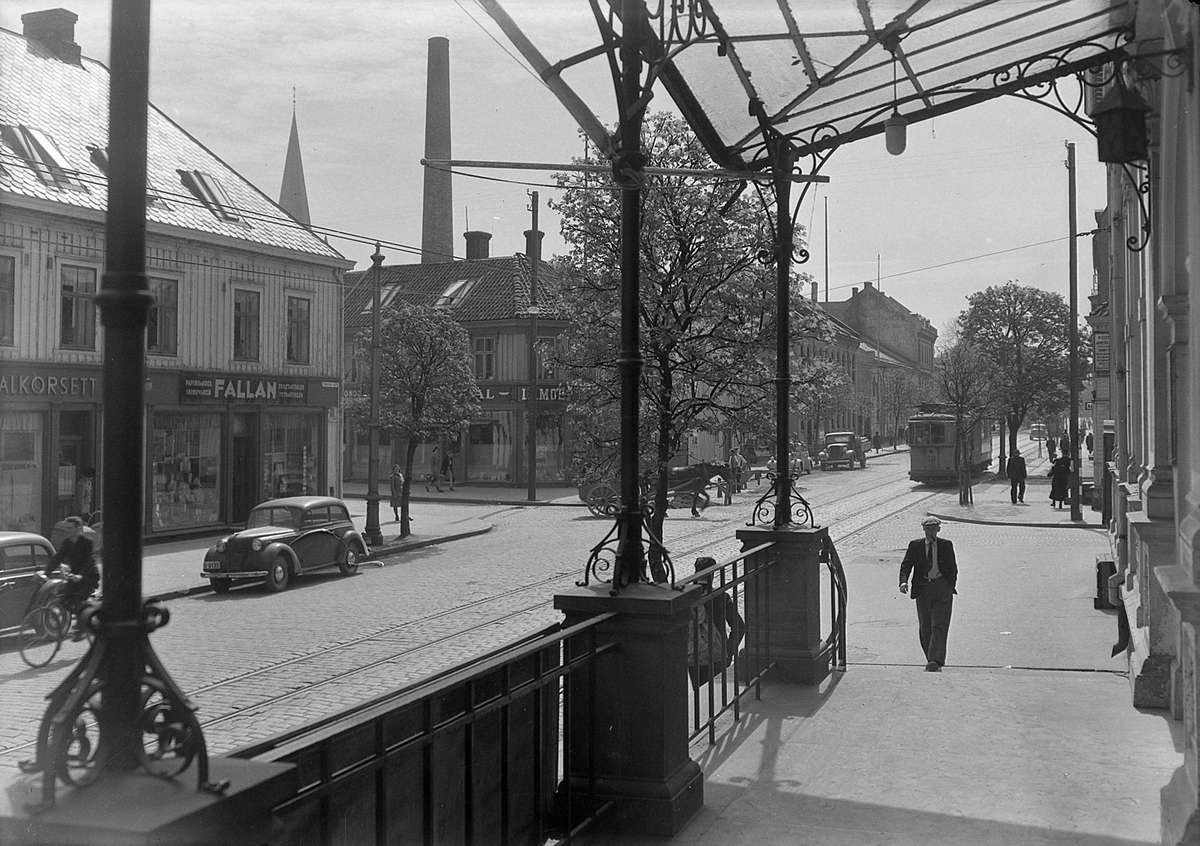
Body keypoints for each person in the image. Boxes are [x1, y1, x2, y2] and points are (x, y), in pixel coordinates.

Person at [899, 516, 958, 672]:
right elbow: (906, 565)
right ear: (923, 530)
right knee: (925, 625)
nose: (930, 532)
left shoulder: (946, 545)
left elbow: (953, 567)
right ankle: (931, 656)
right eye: (927, 529)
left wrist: (949, 585)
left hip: (941, 587)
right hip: (923, 588)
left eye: (933, 528)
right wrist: (903, 581)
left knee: (940, 623)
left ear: (938, 529)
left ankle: (935, 659)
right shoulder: (915, 545)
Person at [687, 556, 746, 689]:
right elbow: (739, 627)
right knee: (716, 694)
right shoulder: (722, 597)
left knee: (699, 694)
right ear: (713, 575)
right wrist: (729, 651)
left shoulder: (685, 599)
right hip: (718, 656)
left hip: (693, 657)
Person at [46, 516, 100, 637]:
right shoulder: (67, 543)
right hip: (75, 577)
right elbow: (57, 558)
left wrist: (80, 575)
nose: (68, 531)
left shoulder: (87, 542)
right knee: (64, 599)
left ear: (78, 528)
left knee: (78, 600)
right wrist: (45, 574)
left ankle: (83, 628)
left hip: (88, 577)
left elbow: (89, 561)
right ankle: (85, 619)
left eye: (70, 528)